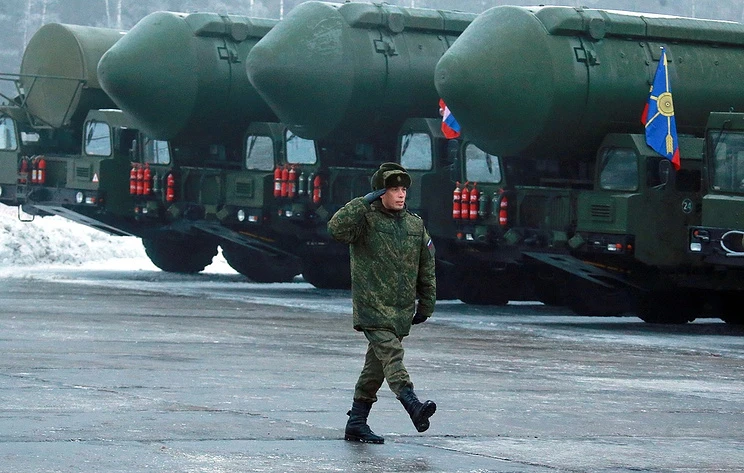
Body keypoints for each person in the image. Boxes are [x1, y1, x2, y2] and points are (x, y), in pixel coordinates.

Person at [328, 162, 437, 444]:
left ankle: (356, 422)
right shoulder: (365, 221)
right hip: (372, 308)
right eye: (393, 189)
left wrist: (426, 305)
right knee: (392, 356)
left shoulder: (415, 224)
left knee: (374, 368)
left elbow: (426, 267)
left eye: (403, 189)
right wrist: (362, 202)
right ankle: (412, 403)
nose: (400, 194)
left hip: (400, 311)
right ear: (379, 192)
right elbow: (336, 229)